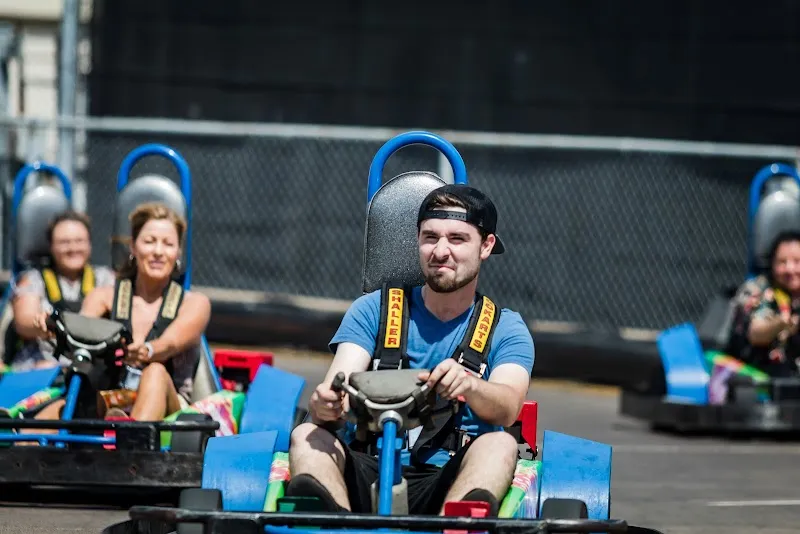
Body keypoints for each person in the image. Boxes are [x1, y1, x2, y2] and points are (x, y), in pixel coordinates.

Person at [288, 184, 535, 516]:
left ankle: (458, 522)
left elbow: (507, 407)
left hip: (449, 475)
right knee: (306, 432)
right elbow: (337, 383)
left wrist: (470, 385)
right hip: (368, 465)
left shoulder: (505, 328)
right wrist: (326, 404)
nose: (440, 251)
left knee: (500, 443)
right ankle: (336, 523)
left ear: (486, 246)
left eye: (457, 239)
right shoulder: (373, 310)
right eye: (430, 237)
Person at [31, 202, 211, 422]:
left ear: (178, 253)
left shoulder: (194, 303)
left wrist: (148, 349)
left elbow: (170, 343)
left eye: (168, 244)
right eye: (149, 241)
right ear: (134, 247)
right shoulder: (104, 297)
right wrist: (54, 329)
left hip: (168, 411)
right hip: (111, 399)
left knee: (154, 372)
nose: (158, 251)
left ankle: (131, 440)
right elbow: (81, 326)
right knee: (60, 404)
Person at [7, 210, 116, 371]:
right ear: (51, 246)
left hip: (90, 366)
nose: (72, 248)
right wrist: (46, 325)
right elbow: (23, 321)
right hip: (42, 366)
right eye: (64, 242)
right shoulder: (33, 278)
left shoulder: (106, 278)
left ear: (89, 244)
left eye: (79, 241)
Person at [728, 230, 800, 377]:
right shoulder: (758, 289)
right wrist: (781, 323)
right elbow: (756, 333)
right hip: (759, 378)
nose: (790, 269)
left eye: (797, 262)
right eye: (782, 262)